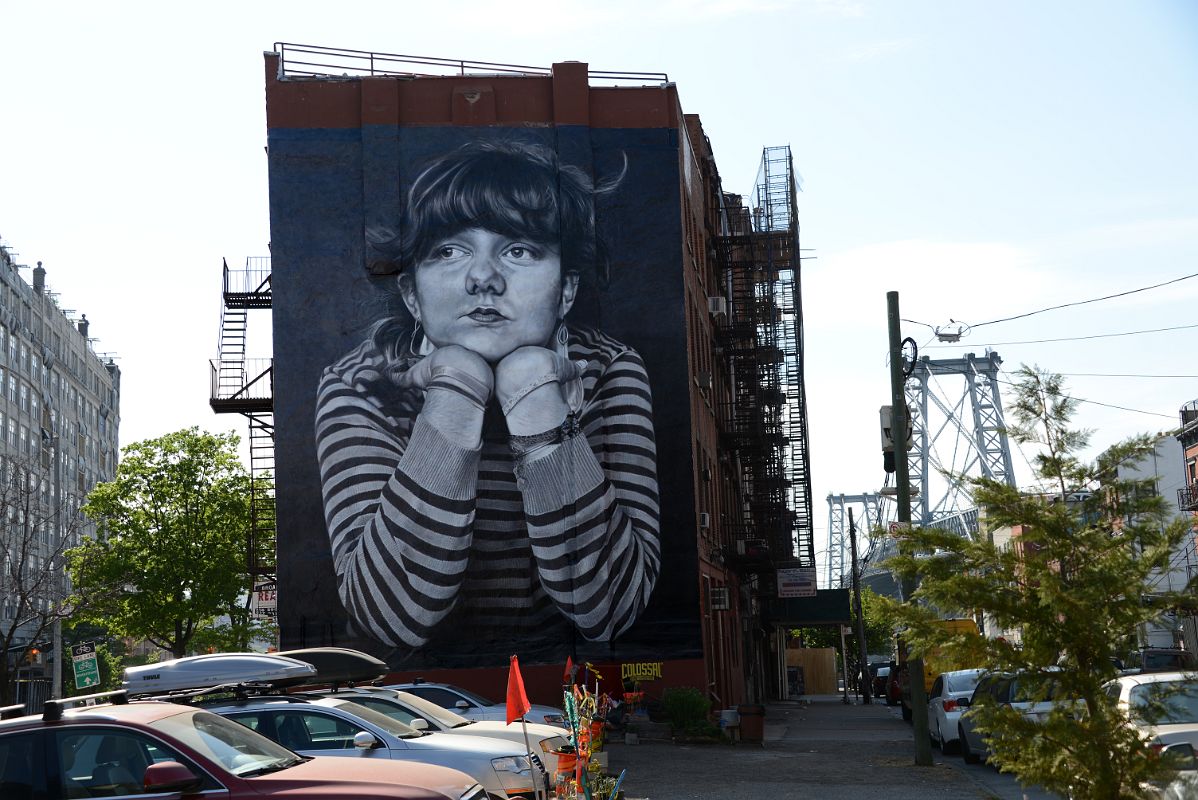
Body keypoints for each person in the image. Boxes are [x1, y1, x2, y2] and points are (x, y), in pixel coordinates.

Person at [315, 140, 661, 656]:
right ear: (411, 293)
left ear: (566, 291)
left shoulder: (609, 370)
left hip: (567, 686)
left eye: (518, 250)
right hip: (415, 704)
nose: (483, 279)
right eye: (450, 251)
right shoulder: (360, 385)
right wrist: (457, 390)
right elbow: (390, 617)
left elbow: (610, 606)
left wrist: (533, 397)